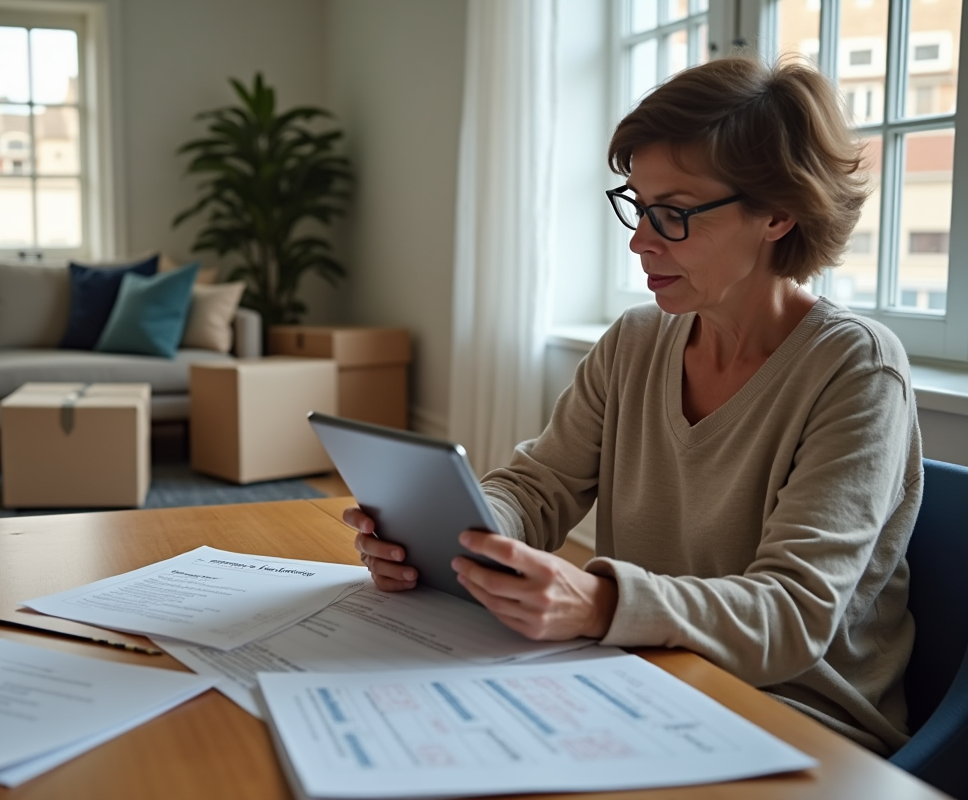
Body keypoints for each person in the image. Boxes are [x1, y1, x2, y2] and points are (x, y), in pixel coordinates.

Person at [346, 54, 923, 757]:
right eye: (639, 207)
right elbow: (538, 486)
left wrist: (600, 603)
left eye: (674, 215)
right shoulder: (636, 340)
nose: (640, 241)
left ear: (778, 213)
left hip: (796, 721)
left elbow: (793, 616)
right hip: (642, 678)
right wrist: (459, 537)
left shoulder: (857, 369)